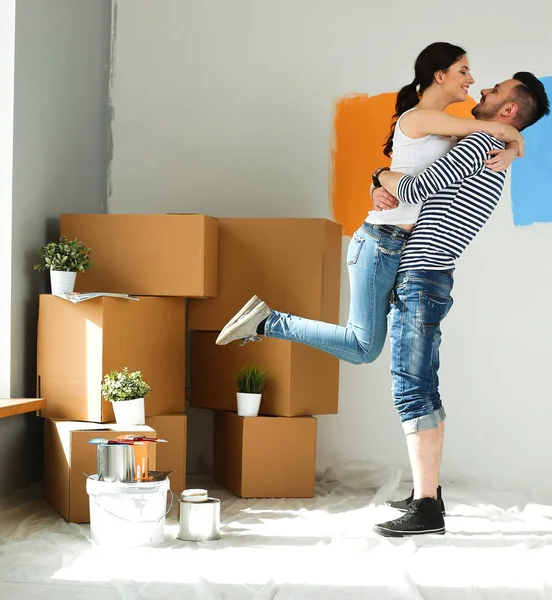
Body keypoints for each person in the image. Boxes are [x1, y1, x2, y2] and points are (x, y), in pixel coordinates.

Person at [215, 42, 522, 364]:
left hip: (398, 246)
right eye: (463, 71)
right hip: (381, 243)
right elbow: (499, 129)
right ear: (439, 75)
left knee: (365, 348)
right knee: (364, 348)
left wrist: (378, 179)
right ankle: (269, 321)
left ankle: (266, 320)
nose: (471, 79)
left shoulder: (448, 131)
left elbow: (478, 143)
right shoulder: (419, 118)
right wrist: (515, 144)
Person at [368, 72, 550, 537]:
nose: (484, 89)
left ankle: (427, 507)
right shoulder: (494, 148)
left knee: (413, 387)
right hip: (431, 276)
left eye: (496, 91)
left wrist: (378, 175)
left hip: (422, 277)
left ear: (508, 110)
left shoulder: (475, 145)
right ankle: (427, 495)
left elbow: (411, 191)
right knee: (420, 384)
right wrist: (513, 144)